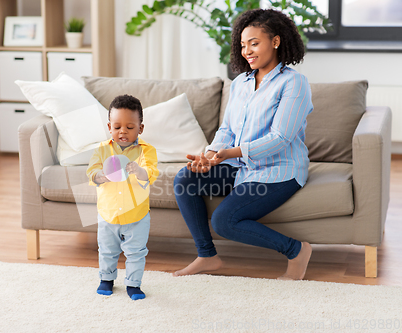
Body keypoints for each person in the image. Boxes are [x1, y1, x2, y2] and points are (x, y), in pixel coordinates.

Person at [173, 8, 314, 280]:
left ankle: (296, 250)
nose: (247, 50)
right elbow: (227, 128)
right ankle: (207, 256)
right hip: (240, 166)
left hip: (279, 170)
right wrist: (212, 155)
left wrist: (229, 152)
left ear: (275, 41)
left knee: (224, 221)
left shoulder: (294, 83)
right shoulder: (240, 83)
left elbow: (281, 138)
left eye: (254, 43)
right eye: (242, 45)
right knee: (185, 178)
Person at [86, 94, 159, 300]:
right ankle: (106, 279)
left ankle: (133, 284)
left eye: (129, 127)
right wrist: (101, 175)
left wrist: (138, 170)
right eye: (117, 127)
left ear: (140, 128)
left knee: (136, 252)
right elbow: (91, 172)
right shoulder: (102, 149)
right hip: (108, 213)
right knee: (107, 250)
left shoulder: (147, 151)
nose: (123, 132)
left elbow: (150, 174)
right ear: (109, 127)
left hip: (137, 214)